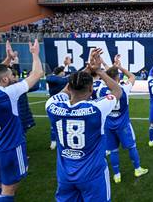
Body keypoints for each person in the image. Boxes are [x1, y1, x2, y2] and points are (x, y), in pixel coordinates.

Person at [46, 48, 122, 202]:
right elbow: (117, 89)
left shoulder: (52, 106)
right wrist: (99, 70)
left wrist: (87, 69)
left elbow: (65, 91)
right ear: (90, 89)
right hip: (92, 175)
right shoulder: (97, 109)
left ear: (70, 87)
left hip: (65, 175)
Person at [0, 40, 44, 201]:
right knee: (9, 189)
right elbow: (37, 74)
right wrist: (35, 54)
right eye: (10, 75)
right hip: (9, 147)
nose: (13, 77)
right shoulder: (8, 94)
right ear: (4, 80)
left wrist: (8, 59)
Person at [98, 55, 148, 184]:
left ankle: (117, 175)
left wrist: (106, 66)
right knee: (132, 147)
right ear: (118, 77)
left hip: (108, 125)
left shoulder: (100, 90)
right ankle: (137, 169)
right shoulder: (124, 88)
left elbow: (107, 78)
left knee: (113, 150)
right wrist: (120, 67)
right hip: (123, 124)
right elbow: (132, 76)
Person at [46, 66, 69, 150]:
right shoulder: (53, 79)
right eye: (63, 71)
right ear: (60, 72)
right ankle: (53, 142)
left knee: (64, 123)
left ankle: (60, 142)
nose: (64, 73)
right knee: (54, 124)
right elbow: (52, 78)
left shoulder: (60, 79)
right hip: (55, 104)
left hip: (63, 104)